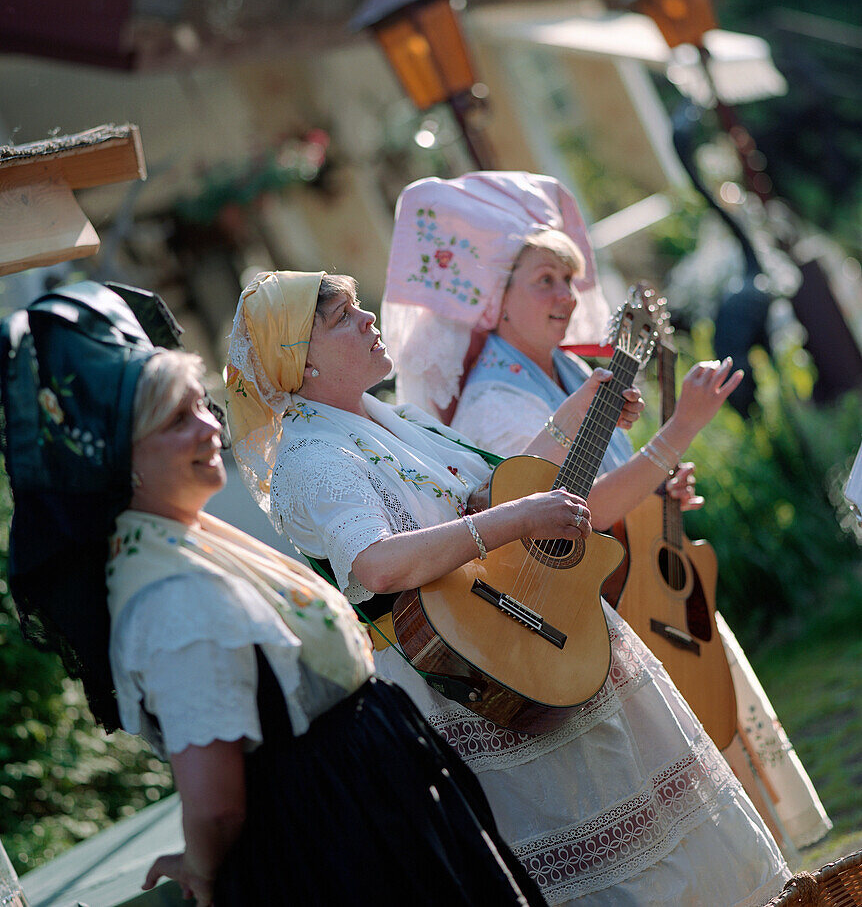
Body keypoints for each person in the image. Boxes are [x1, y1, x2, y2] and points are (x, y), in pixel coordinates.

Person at [226, 267, 791, 907]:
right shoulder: (313, 457)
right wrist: (515, 521)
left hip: (525, 632)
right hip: (478, 669)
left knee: (656, 820)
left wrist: (574, 415)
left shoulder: (395, 420)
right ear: (301, 367)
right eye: (342, 318)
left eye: (361, 307)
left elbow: (482, 497)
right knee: (600, 854)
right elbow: (378, 564)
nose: (368, 319)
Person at [1, 282, 546, 907]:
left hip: (369, 810)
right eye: (177, 420)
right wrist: (203, 867)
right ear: (120, 462)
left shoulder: (186, 546)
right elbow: (216, 804)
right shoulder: (165, 594)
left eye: (201, 406)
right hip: (338, 842)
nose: (210, 427)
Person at [382, 169, 833, 855]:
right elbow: (571, 515)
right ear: (492, 300)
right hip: (603, 615)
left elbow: (615, 490)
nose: (567, 296)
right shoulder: (493, 406)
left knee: (734, 771)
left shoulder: (566, 371)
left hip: (649, 586)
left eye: (568, 279)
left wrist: (657, 498)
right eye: (544, 281)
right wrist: (678, 429)